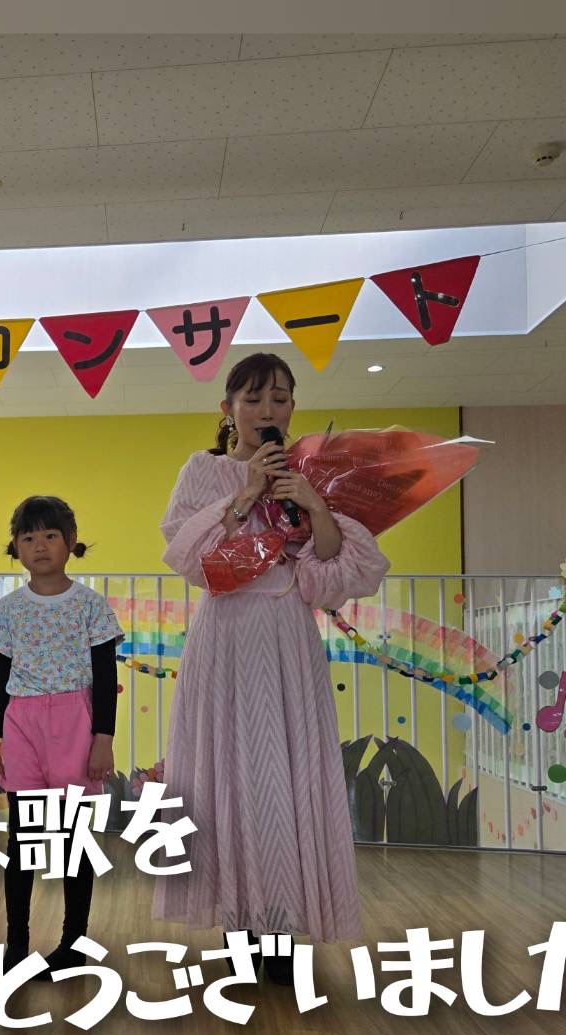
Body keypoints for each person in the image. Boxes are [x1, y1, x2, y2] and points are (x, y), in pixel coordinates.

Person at [154, 353, 389, 983]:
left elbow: (332, 574)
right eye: (254, 399)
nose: (268, 411)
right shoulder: (202, 470)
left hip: (287, 634)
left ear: (292, 408)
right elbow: (193, 561)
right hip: (225, 635)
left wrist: (314, 506)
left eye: (280, 399)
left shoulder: (311, 473)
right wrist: (247, 492)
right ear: (227, 410)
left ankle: (281, 932)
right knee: (228, 778)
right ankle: (238, 930)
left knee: (284, 779)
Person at [0, 496, 123, 972]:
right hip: (21, 723)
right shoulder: (7, 610)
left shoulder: (91, 606)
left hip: (75, 722)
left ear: (70, 542)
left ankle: (73, 942)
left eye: (50, 535)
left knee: (72, 840)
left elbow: (105, 678)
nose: (39, 546)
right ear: (15, 547)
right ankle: (16, 944)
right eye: (28, 537)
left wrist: (103, 737)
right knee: (22, 838)